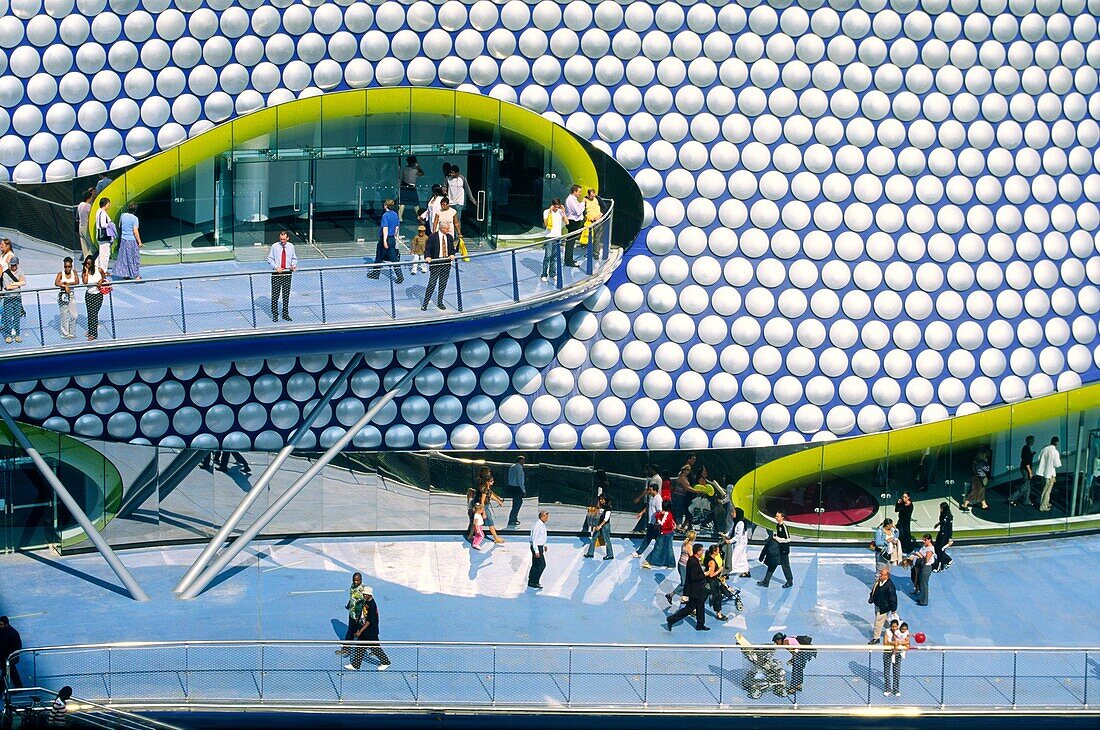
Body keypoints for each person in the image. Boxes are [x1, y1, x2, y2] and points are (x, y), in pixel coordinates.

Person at [665, 543, 709, 631]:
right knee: (689, 608)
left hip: (697, 589)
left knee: (700, 606)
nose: (703, 551)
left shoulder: (694, 559)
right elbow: (694, 577)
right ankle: (672, 619)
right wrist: (704, 575)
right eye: (701, 550)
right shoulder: (693, 561)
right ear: (698, 551)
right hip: (695, 589)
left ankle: (700, 624)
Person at [345, 585, 390, 670]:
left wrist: (360, 631)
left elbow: (369, 621)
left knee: (375, 648)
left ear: (370, 595)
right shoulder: (365, 601)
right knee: (360, 647)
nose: (364, 596)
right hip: (364, 630)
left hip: (371, 631)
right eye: (363, 594)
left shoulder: (372, 605)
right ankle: (356, 665)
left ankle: (386, 662)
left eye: (366, 594)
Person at [369, 199, 404, 283]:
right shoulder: (395, 214)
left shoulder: (385, 216)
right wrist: (395, 236)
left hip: (386, 238)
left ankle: (375, 274)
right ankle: (400, 276)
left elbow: (385, 228)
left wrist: (384, 240)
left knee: (379, 256)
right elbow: (396, 227)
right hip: (392, 237)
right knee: (394, 258)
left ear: (385, 206)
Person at [421, 226, 454, 311]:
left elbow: (452, 249)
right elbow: (427, 249)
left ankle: (440, 302)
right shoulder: (432, 237)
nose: (449, 229)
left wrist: (452, 254)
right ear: (442, 228)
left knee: (443, 283)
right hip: (436, 262)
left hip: (446, 263)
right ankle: (425, 303)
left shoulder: (449, 237)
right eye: (447, 228)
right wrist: (428, 257)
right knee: (432, 283)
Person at [758, 511, 793, 588]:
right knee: (772, 564)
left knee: (785, 566)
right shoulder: (778, 525)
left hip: (784, 550)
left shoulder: (784, 526)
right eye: (776, 516)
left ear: (782, 518)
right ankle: (766, 581)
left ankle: (789, 581)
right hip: (778, 549)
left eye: (777, 516)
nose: (776, 517)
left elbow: (788, 539)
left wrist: (777, 539)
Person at [267, 230, 297, 322]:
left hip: (287, 273)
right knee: (275, 295)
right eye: (281, 239)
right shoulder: (275, 246)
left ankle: (285, 314)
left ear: (287, 238)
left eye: (284, 239)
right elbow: (270, 259)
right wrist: (276, 267)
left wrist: (293, 265)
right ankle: (275, 314)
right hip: (277, 273)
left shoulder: (291, 247)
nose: (282, 241)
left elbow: (294, 258)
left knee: (286, 295)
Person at [665, 529, 696, 605]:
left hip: (681, 564)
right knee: (684, 583)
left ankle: (684, 597)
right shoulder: (689, 545)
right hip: (684, 565)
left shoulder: (685, 543)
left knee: (687, 582)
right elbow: (692, 557)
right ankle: (671, 594)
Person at [867, 566, 898, 644]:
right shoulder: (879, 581)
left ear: (886, 576)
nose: (879, 575)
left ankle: (876, 638)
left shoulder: (890, 586)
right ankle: (892, 630)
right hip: (878, 604)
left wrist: (893, 610)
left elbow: (893, 598)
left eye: (881, 574)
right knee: (882, 620)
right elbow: (874, 589)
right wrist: (872, 598)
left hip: (884, 607)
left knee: (878, 622)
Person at [631, 484, 662, 559]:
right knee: (650, 538)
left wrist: (657, 523)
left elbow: (659, 511)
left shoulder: (658, 499)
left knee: (653, 539)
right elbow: (648, 506)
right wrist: (641, 513)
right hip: (651, 522)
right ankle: (640, 552)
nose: (649, 491)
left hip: (655, 523)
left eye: (650, 490)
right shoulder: (651, 498)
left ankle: (640, 552)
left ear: (655, 490)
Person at [114, 203, 142, 280]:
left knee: (124, 257)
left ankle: (125, 274)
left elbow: (120, 226)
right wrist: (139, 241)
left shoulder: (123, 215)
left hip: (123, 239)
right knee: (134, 257)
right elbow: (135, 231)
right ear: (135, 210)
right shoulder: (134, 218)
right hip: (131, 240)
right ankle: (136, 275)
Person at [2, 256, 26, 343]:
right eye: (11, 265)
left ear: (17, 264)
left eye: (14, 265)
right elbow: (7, 287)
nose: (13, 267)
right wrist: (18, 285)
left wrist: (14, 283)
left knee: (17, 317)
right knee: (8, 317)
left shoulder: (20, 271)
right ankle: (8, 335)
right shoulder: (5, 274)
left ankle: (17, 334)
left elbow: (24, 282)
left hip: (17, 298)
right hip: (8, 298)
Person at [541, 198, 566, 282]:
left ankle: (552, 273)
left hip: (557, 237)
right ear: (552, 205)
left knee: (554, 257)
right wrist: (549, 212)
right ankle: (544, 274)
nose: (556, 209)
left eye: (558, 207)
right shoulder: (546, 212)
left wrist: (563, 212)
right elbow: (546, 224)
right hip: (549, 237)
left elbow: (567, 222)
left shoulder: (560, 212)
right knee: (547, 256)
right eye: (555, 207)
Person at [1008, 435, 1037, 507]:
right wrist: (1030, 472)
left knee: (1028, 486)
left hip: (1024, 468)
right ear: (1030, 441)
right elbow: (1027, 462)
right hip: (1026, 469)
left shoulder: (1026, 448)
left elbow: (1024, 457)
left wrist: (1032, 454)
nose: (1034, 441)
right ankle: (1012, 498)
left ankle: (1026, 501)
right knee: (1025, 485)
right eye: (1033, 440)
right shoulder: (1026, 448)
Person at [82, 254, 106, 341]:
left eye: (89, 264)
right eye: (86, 264)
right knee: (90, 313)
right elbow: (85, 282)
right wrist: (87, 272)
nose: (87, 265)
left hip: (98, 295)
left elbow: (104, 278)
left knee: (94, 313)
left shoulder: (99, 270)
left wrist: (101, 280)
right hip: (89, 295)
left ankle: (93, 334)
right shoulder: (85, 272)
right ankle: (91, 330)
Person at [54, 256, 79, 339]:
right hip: (63, 295)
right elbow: (56, 282)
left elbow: (77, 281)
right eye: (65, 266)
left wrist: (68, 284)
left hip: (71, 296)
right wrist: (64, 286)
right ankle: (65, 333)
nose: (67, 268)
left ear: (71, 266)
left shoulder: (74, 272)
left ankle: (72, 332)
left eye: (69, 266)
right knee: (64, 315)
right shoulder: (60, 274)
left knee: (74, 315)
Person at [883, 620, 909, 696]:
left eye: (895, 626)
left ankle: (896, 690)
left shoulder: (901, 632)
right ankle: (887, 689)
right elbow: (885, 643)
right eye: (892, 626)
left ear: (898, 626)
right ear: (890, 626)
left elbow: (907, 642)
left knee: (896, 672)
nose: (894, 628)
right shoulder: (887, 631)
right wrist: (892, 643)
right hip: (887, 653)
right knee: (887, 672)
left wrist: (899, 643)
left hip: (897, 653)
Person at [477, 474, 506, 544]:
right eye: (491, 481)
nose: (493, 482)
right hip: (484, 508)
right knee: (490, 523)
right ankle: (496, 538)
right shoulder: (484, 490)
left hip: (486, 507)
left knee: (477, 522)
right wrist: (483, 512)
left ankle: (470, 535)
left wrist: (499, 501)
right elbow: (482, 501)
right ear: (487, 482)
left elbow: (491, 495)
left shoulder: (488, 489)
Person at [909, 533, 936, 606]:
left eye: (925, 540)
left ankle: (924, 601)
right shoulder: (925, 546)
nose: (923, 541)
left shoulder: (930, 549)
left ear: (929, 540)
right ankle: (921, 598)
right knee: (921, 583)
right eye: (923, 540)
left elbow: (926, 560)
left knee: (924, 584)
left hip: (925, 568)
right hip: (921, 567)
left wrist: (919, 555)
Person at [724, 506, 751, 577]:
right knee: (742, 557)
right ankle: (746, 571)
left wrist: (730, 541)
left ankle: (727, 572)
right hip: (739, 543)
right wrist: (725, 534)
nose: (732, 514)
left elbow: (738, 535)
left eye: (733, 512)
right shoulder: (736, 521)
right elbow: (731, 530)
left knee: (734, 557)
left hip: (741, 543)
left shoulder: (741, 523)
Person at [1036, 436, 1062, 511]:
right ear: (1057, 443)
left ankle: (1046, 503)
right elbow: (1057, 464)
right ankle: (1043, 506)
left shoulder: (1044, 449)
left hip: (1042, 473)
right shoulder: (1055, 452)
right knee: (1047, 491)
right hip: (1049, 474)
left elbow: (1039, 458)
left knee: (1044, 489)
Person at [584, 494, 614, 560]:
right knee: (593, 538)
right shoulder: (601, 506)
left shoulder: (608, 507)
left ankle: (610, 555)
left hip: (605, 526)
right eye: (600, 499)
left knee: (606, 540)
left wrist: (600, 526)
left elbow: (606, 519)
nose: (601, 500)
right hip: (599, 525)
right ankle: (590, 553)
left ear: (606, 499)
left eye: (602, 499)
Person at [563, 184, 585, 267]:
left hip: (575, 222)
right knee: (570, 241)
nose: (580, 194)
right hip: (573, 222)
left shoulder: (574, 199)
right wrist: (583, 202)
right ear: (574, 191)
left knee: (572, 242)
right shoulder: (570, 200)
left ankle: (569, 259)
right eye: (579, 192)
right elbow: (578, 211)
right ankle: (568, 260)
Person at [398, 154, 424, 222]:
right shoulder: (414, 169)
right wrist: (418, 166)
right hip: (410, 187)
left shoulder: (406, 168)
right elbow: (421, 174)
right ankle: (419, 217)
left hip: (405, 187)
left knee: (403, 203)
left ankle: (400, 217)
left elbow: (403, 178)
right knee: (415, 203)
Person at [674, 454, 696, 530]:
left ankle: (684, 524)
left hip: (684, 494)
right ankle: (678, 525)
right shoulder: (682, 477)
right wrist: (697, 490)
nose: (688, 471)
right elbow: (687, 487)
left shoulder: (686, 476)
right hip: (680, 495)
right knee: (679, 509)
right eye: (693, 459)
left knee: (683, 509)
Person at [528, 510, 549, 589]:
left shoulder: (541, 525)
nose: (547, 519)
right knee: (541, 565)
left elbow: (541, 537)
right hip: (536, 547)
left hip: (539, 546)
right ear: (543, 516)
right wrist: (536, 550)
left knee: (536, 564)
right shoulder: (538, 525)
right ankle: (534, 581)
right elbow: (534, 539)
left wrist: (544, 545)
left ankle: (532, 580)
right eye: (546, 517)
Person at [0, 615, 22, 690]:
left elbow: (5, 647)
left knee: (5, 672)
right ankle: (19, 686)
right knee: (12, 671)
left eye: (1, 625)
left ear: (6, 624)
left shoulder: (11, 634)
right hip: (8, 656)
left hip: (10, 657)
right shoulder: (5, 631)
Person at [95, 197, 114, 273]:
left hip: (99, 234)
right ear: (105, 204)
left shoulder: (98, 211)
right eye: (108, 204)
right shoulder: (102, 212)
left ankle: (96, 267)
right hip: (104, 235)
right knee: (105, 254)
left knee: (102, 252)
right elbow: (103, 224)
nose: (109, 205)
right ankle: (103, 271)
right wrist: (110, 225)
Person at [932, 502, 953, 572]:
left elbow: (950, 527)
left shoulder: (949, 516)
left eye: (941, 508)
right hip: (941, 533)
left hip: (945, 535)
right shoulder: (942, 514)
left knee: (941, 550)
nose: (940, 509)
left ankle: (940, 567)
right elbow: (941, 521)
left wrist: (950, 538)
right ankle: (948, 559)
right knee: (936, 548)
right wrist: (938, 524)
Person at [506, 455, 526, 527]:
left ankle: (513, 518)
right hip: (517, 487)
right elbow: (519, 480)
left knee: (516, 503)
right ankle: (512, 519)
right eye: (523, 460)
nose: (524, 462)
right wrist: (523, 490)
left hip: (512, 487)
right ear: (520, 460)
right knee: (518, 503)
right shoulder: (519, 468)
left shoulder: (512, 466)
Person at [582, 188, 603, 258]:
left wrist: (600, 215)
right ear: (588, 195)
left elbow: (604, 207)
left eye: (594, 196)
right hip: (589, 222)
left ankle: (596, 253)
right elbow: (582, 211)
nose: (593, 197)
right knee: (589, 237)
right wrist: (585, 216)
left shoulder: (597, 198)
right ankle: (589, 252)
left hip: (597, 220)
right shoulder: (585, 200)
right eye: (591, 196)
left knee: (597, 237)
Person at [77, 189, 93, 258]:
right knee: (91, 244)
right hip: (86, 226)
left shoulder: (80, 205)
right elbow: (91, 216)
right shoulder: (88, 206)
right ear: (88, 198)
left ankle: (85, 258)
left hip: (80, 225)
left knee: (84, 245)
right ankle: (90, 259)